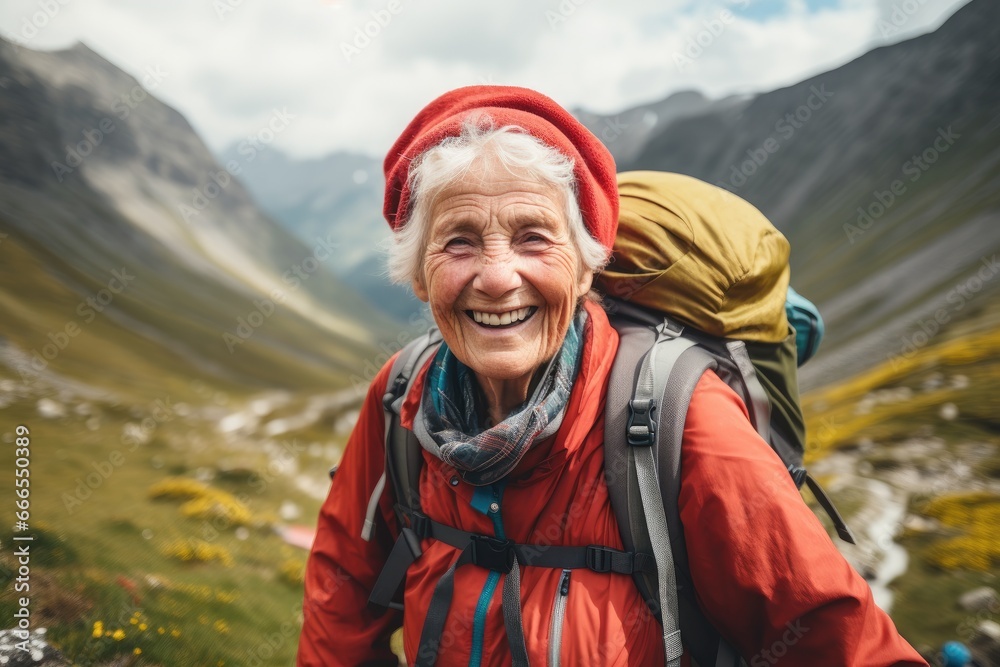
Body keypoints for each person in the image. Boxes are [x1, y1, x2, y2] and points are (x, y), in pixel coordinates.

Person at [296, 85, 926, 666]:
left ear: (585, 268)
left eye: (533, 238)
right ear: (417, 274)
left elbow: (836, 636)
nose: (495, 277)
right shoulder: (401, 394)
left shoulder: (676, 416)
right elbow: (342, 585)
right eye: (458, 242)